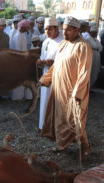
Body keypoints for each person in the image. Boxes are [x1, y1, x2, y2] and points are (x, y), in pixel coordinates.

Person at [39, 16, 93, 156]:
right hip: (58, 89)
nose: (64, 33)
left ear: (77, 30)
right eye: (63, 30)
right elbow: (56, 65)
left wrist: (78, 93)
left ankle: (85, 146)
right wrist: (46, 79)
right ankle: (61, 145)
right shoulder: (63, 44)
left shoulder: (83, 46)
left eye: (68, 30)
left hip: (73, 91)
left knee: (74, 120)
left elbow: (84, 72)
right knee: (59, 118)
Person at [36, 18, 63, 132]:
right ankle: (43, 126)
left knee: (55, 102)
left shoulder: (63, 42)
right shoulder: (46, 41)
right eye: (46, 29)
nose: (47, 32)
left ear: (57, 29)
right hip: (46, 74)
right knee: (44, 101)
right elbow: (43, 57)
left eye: (50, 29)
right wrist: (40, 62)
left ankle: (54, 128)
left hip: (58, 77)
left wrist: (54, 62)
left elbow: (65, 61)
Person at [9, 19, 31, 100]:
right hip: (18, 60)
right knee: (18, 79)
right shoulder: (17, 36)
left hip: (22, 60)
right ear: (23, 28)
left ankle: (20, 96)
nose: (27, 29)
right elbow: (18, 51)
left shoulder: (22, 35)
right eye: (26, 28)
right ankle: (17, 97)